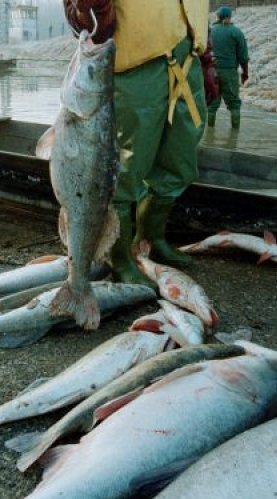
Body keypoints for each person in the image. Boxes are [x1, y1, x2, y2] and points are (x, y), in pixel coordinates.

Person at [64, 0, 217, 287]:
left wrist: (208, 58)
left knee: (179, 160)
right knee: (123, 172)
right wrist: (86, 10)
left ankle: (150, 239)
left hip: (187, 60)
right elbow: (78, 15)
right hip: (133, 66)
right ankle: (118, 257)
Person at [208, 6, 249, 129]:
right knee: (234, 105)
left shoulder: (210, 31)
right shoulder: (236, 32)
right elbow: (243, 57)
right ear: (230, 17)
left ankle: (209, 137)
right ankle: (234, 135)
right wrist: (245, 73)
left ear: (218, 16)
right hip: (229, 73)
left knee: (211, 105)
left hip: (211, 72)